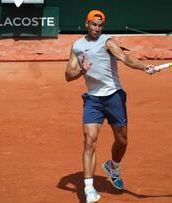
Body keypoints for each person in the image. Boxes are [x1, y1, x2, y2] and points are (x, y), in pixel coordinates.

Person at [65, 9, 157, 203]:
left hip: (114, 97)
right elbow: (68, 75)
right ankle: (89, 187)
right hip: (93, 100)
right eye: (93, 24)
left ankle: (113, 166)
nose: (97, 28)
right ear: (86, 24)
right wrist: (82, 70)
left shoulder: (108, 41)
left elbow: (124, 58)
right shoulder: (77, 46)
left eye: (100, 25)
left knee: (122, 141)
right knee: (89, 140)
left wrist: (143, 66)